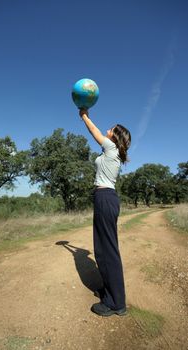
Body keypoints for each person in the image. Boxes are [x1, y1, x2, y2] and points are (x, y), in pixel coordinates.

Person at [79, 108, 131, 317]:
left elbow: (94, 131)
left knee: (107, 251)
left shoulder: (111, 147)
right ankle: (111, 292)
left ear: (115, 136)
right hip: (105, 198)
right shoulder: (111, 152)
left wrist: (83, 115)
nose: (108, 130)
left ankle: (115, 303)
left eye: (112, 129)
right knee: (103, 249)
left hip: (105, 198)